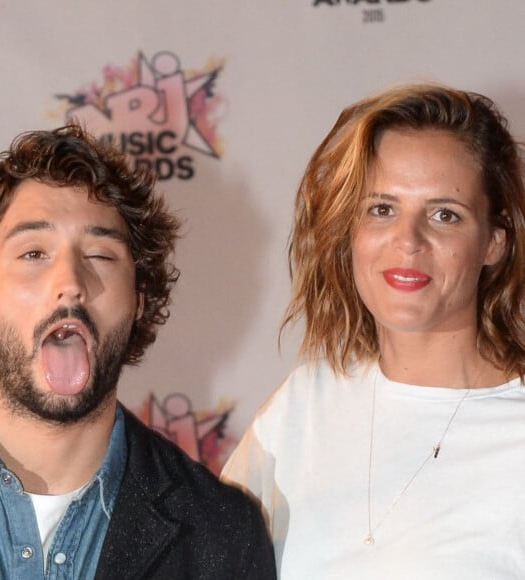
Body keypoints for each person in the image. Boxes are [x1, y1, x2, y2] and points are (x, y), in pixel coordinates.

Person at [222, 83, 525, 579]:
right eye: (382, 209)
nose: (407, 241)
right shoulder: (303, 405)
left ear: (493, 242)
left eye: (444, 214)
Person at [0, 125, 276, 579]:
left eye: (100, 255)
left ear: (139, 299)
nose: (70, 284)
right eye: (34, 253)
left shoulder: (221, 533)